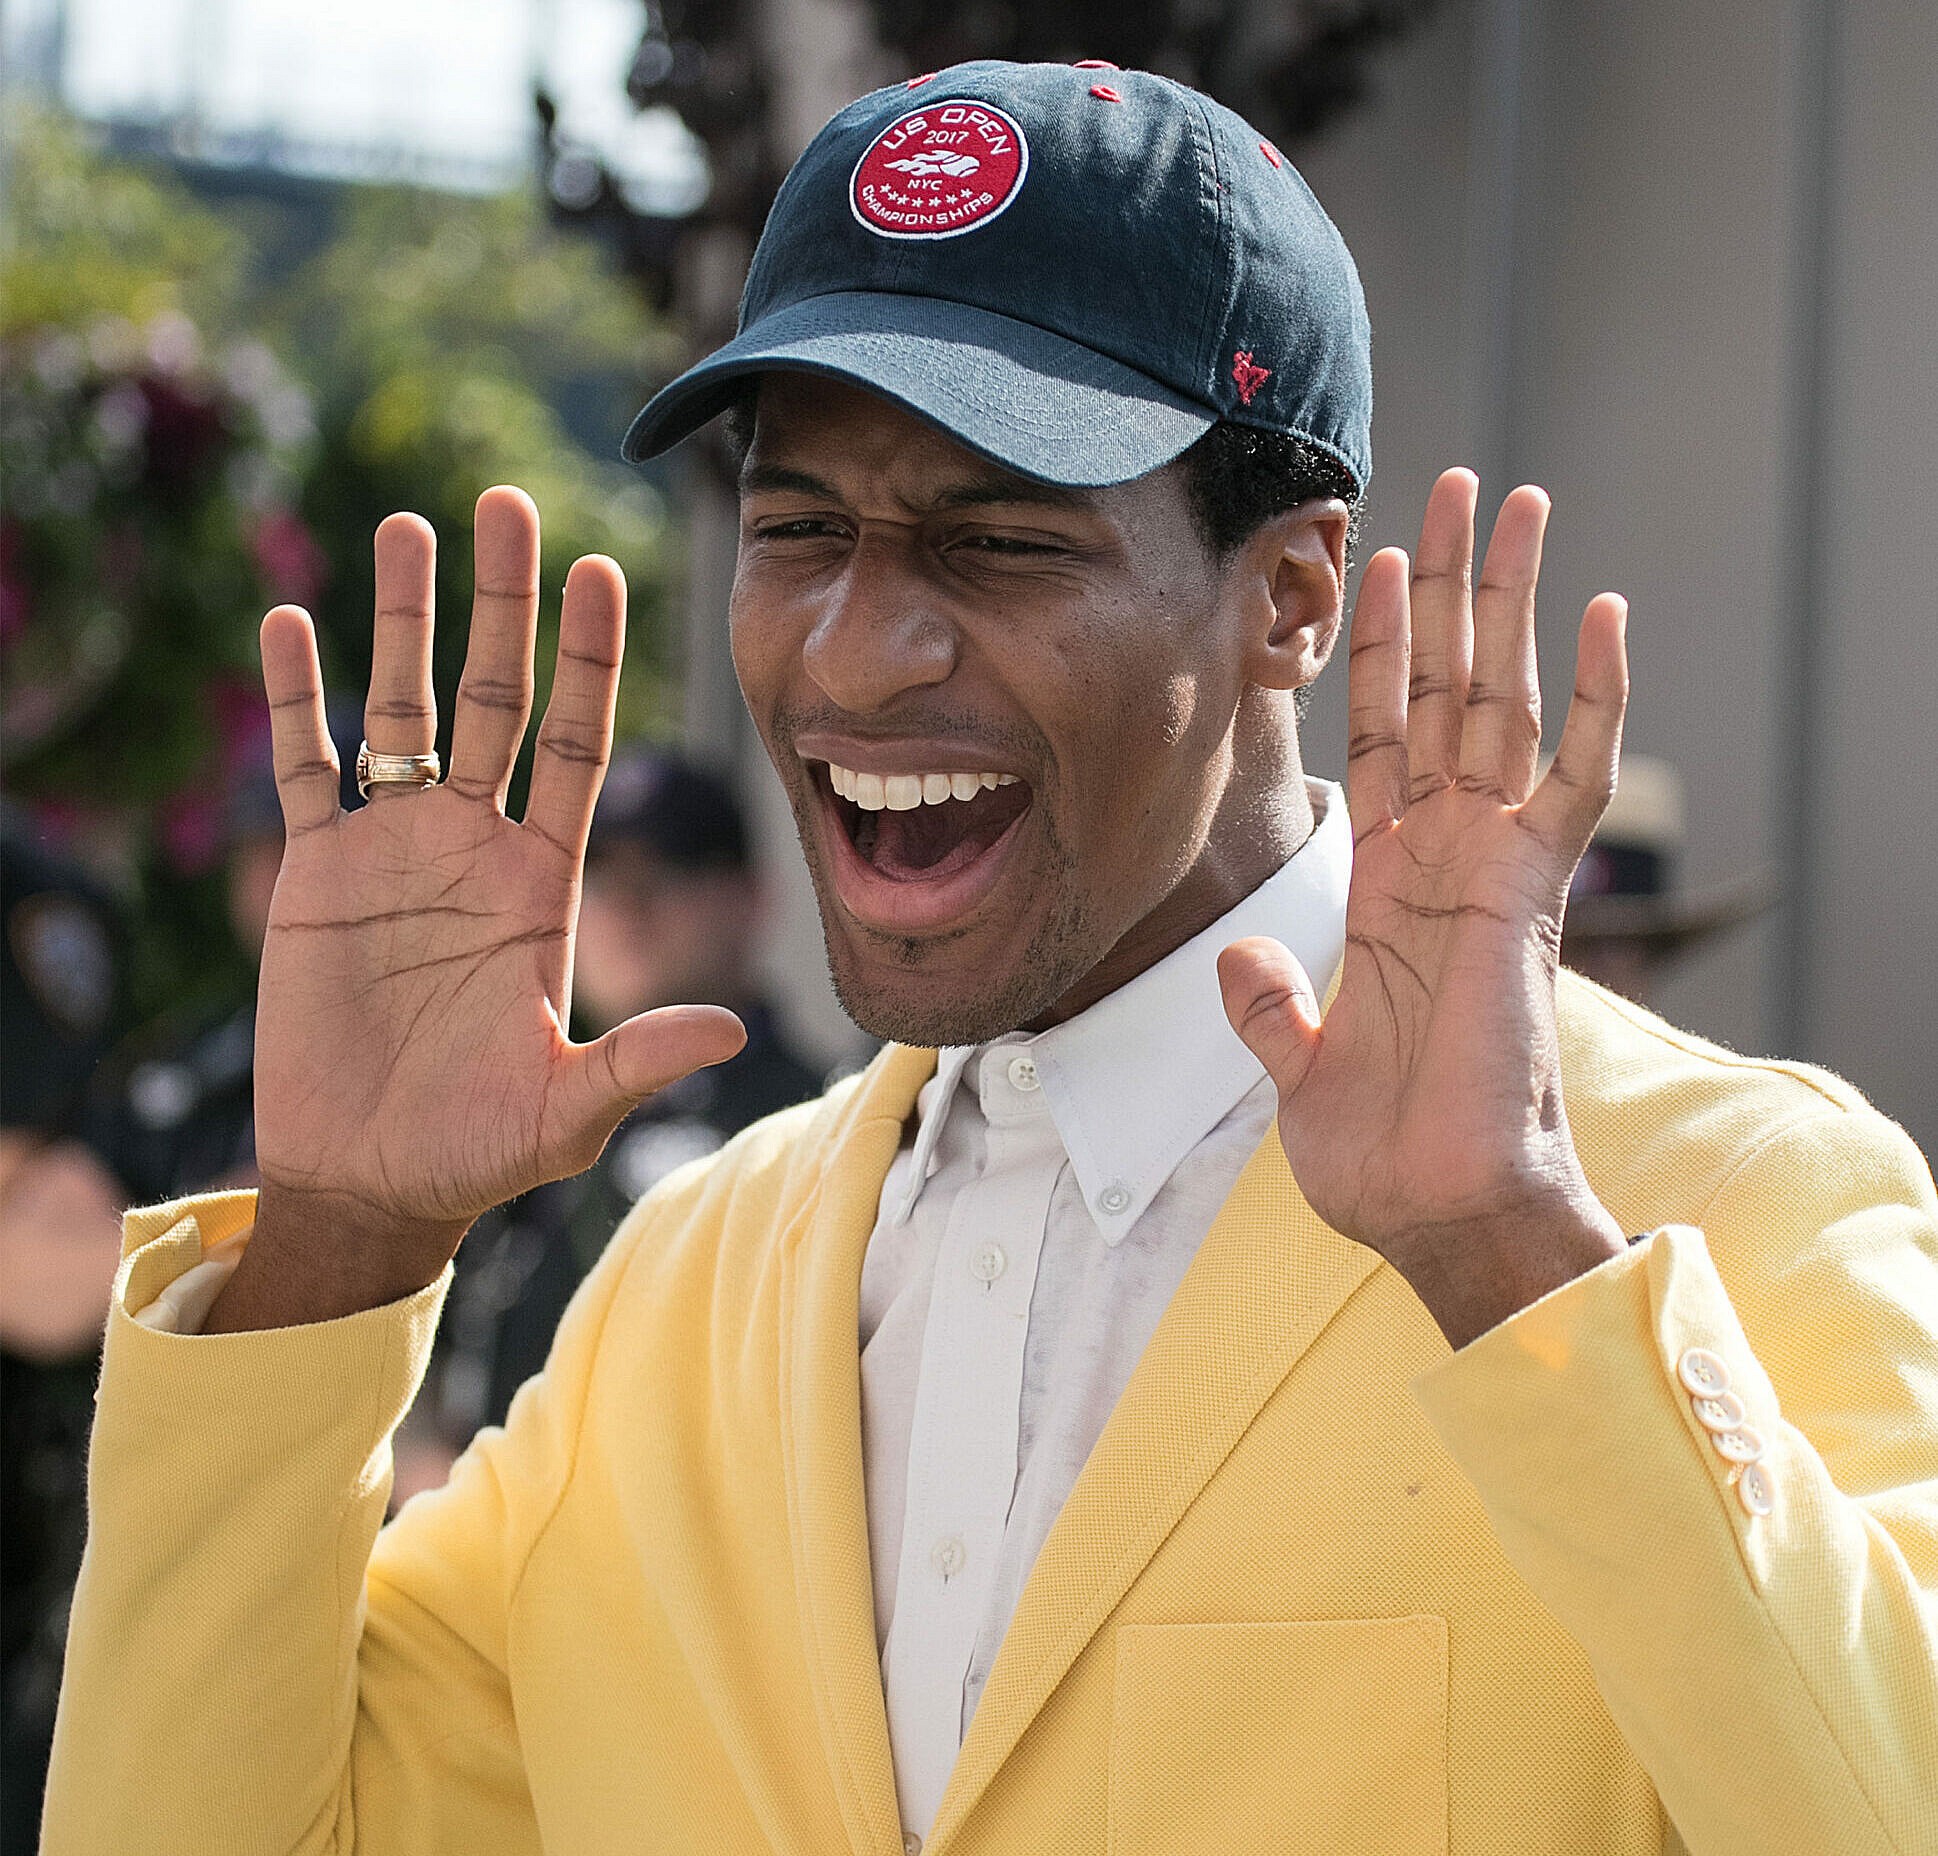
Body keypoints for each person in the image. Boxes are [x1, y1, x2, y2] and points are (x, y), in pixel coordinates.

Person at [43, 62, 1938, 1856]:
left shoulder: (1719, 1202)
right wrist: (336, 1253)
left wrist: (1516, 1266)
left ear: (1288, 596)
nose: (856, 652)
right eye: (799, 527)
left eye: (1001, 541)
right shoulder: (680, 1301)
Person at [413, 748, 825, 1461]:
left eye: (669, 869)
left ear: (752, 897)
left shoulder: (815, 1122)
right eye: (598, 876)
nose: (629, 908)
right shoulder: (506, 1110)